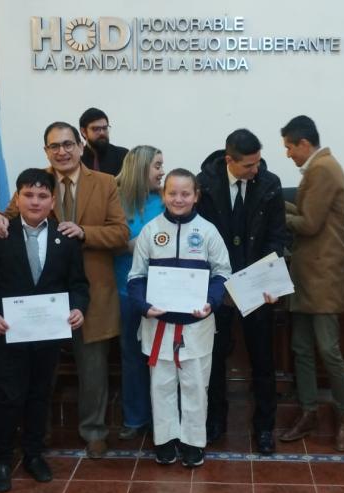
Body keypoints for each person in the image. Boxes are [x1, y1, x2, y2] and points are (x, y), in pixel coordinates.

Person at [0, 121, 129, 458]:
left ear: (81, 147)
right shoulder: (37, 180)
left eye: (68, 144)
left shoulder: (106, 183)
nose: (62, 151)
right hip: (41, 295)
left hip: (90, 291)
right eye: (54, 146)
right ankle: (40, 430)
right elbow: (7, 216)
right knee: (40, 370)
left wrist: (84, 232)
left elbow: (121, 234)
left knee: (93, 368)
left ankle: (94, 431)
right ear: (46, 151)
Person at [0, 168, 89, 493]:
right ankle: (2, 459)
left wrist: (78, 307)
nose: (35, 201)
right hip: (8, 333)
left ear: (52, 200)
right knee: (9, 396)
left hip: (48, 336)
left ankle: (34, 455)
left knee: (40, 396)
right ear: (18, 198)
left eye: (42, 196)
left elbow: (78, 284)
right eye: (28, 195)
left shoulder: (64, 238)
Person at [127, 168, 232, 468]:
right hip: (157, 323)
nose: (178, 198)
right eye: (172, 192)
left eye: (185, 193)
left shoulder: (208, 231)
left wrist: (211, 303)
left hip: (196, 325)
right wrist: (144, 306)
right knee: (161, 385)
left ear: (196, 196)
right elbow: (136, 277)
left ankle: (192, 442)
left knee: (195, 385)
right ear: (163, 195)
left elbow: (223, 273)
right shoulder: (150, 231)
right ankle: (165, 440)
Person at [197, 129, 288, 454]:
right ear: (229, 160)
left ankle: (264, 428)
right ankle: (214, 421)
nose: (256, 170)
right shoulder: (204, 184)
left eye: (259, 162)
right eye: (249, 165)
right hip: (217, 289)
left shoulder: (270, 183)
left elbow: (278, 238)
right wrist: (217, 284)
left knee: (263, 360)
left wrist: (268, 279)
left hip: (257, 288)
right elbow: (198, 238)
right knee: (214, 359)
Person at [278, 115, 344, 452]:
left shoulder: (323, 168)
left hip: (323, 275)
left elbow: (308, 224)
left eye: (289, 147)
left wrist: (275, 210)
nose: (288, 154)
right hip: (306, 274)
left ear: (304, 144)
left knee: (327, 349)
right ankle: (308, 413)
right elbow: (309, 214)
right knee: (301, 348)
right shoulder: (319, 167)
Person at [112, 145, 165, 440]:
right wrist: (139, 244)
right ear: (140, 167)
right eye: (157, 165)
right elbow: (111, 240)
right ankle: (135, 418)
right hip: (126, 291)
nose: (162, 171)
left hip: (162, 292)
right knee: (131, 356)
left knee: (160, 356)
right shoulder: (115, 200)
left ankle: (162, 417)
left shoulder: (164, 201)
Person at [79, 107, 129, 176]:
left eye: (105, 128)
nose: (102, 133)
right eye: (96, 129)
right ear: (83, 131)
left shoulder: (123, 155)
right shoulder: (78, 159)